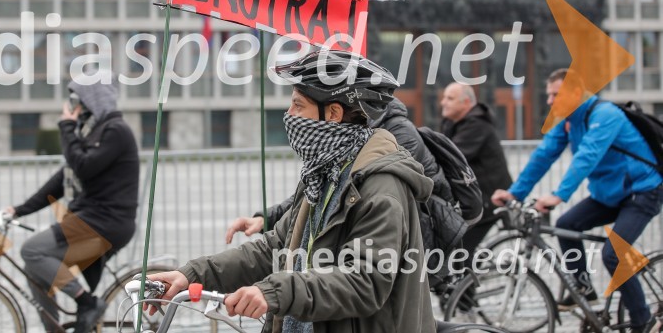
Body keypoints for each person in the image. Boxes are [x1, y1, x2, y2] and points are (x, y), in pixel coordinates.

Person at [149, 50, 436, 332]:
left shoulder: (381, 186)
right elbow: (274, 248)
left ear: (333, 113)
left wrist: (275, 292)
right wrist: (191, 274)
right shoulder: (323, 172)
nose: (289, 115)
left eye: (298, 106)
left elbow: (365, 282)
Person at [492, 68, 663, 333]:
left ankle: (644, 321)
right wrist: (515, 193)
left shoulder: (606, 115)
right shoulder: (568, 120)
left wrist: (559, 195)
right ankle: (584, 288)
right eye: (549, 95)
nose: (549, 100)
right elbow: (543, 155)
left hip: (642, 192)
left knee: (614, 254)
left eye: (555, 94)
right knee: (566, 225)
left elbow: (587, 156)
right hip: (610, 195)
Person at [4, 79, 139, 333]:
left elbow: (83, 166)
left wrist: (66, 127)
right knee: (35, 269)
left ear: (93, 100)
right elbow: (60, 180)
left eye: (79, 101)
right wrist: (19, 209)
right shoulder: (92, 132)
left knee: (32, 250)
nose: (74, 107)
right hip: (91, 219)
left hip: (106, 222)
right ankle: (54, 329)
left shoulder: (115, 131)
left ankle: (87, 303)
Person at [225, 96, 451, 244]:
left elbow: (350, 191)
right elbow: (316, 193)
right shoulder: (345, 144)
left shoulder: (392, 136)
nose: (290, 114)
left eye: (298, 105)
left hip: (420, 235)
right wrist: (266, 217)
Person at [440, 82, 512, 258]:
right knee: (455, 245)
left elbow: (451, 157)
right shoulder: (452, 122)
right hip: (473, 197)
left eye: (450, 98)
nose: (443, 102)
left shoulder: (477, 125)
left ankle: (468, 276)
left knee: (461, 250)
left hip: (489, 199)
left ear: (466, 102)